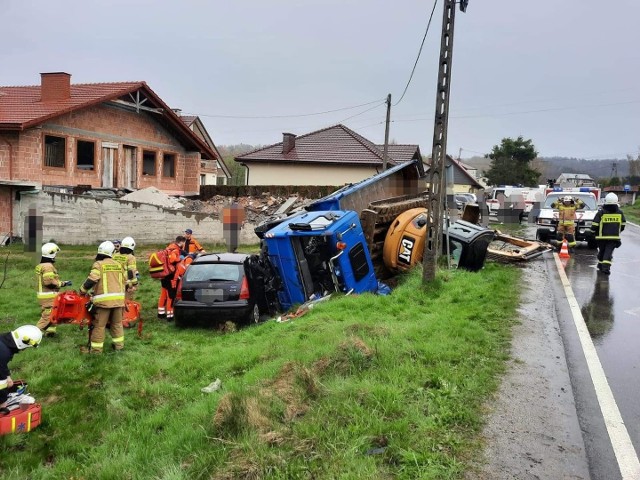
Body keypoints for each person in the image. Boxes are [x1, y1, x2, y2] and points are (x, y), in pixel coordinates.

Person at [78, 241, 126, 354]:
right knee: (117, 324)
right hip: (119, 301)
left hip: (103, 303)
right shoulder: (119, 265)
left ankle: (96, 350)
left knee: (99, 326)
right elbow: (124, 281)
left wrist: (82, 290)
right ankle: (119, 347)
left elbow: (92, 279)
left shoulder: (98, 264)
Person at [35, 242, 72, 337]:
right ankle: (33, 335)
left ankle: (50, 332)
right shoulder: (48, 266)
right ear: (51, 254)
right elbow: (49, 282)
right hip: (49, 295)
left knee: (54, 313)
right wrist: (62, 284)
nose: (56, 256)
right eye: (55, 253)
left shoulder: (42, 265)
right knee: (47, 317)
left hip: (44, 295)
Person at [0, 325, 42, 408]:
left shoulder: (3, 340)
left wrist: (7, 376)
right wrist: (2, 402)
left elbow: (2, 366)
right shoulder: (3, 353)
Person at [591, 192, 626, 275]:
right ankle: (602, 265)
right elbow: (623, 225)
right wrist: (617, 231)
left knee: (603, 251)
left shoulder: (601, 213)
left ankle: (604, 267)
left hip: (601, 238)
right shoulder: (619, 213)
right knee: (608, 252)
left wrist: (592, 232)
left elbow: (595, 224)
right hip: (614, 237)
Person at [157, 236, 186, 321]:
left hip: (164, 275)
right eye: (184, 243)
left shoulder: (168, 248)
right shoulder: (175, 250)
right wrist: (179, 258)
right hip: (171, 277)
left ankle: (161, 313)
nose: (184, 245)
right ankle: (170, 316)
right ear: (181, 242)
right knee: (171, 296)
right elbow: (173, 260)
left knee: (163, 294)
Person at [113, 236, 139, 301]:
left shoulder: (114, 255)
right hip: (125, 283)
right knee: (127, 302)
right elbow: (131, 272)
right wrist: (134, 284)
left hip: (113, 280)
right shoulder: (131, 257)